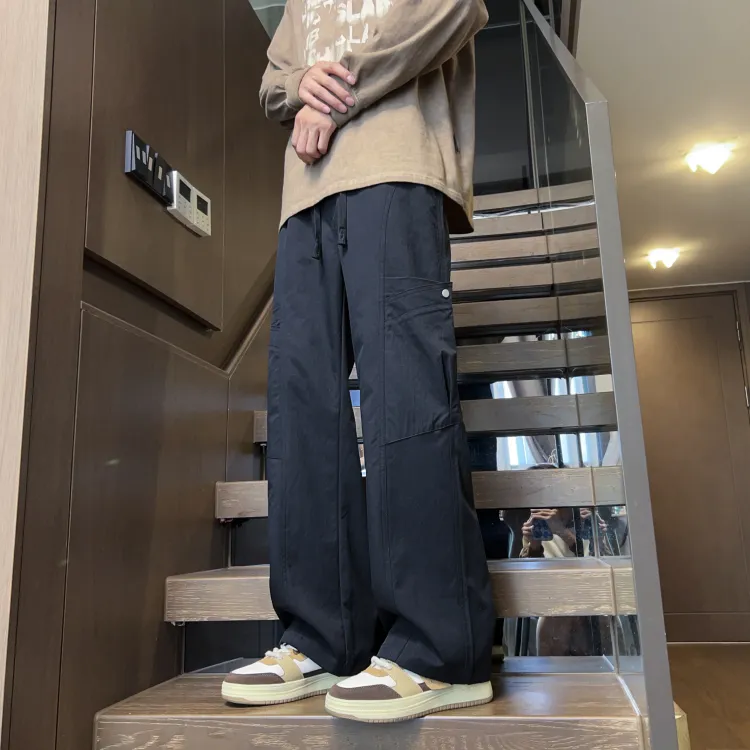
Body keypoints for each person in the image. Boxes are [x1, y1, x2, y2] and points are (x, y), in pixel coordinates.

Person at [221, 0, 494, 723]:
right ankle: (322, 636)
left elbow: (457, 8)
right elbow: (273, 81)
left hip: (396, 168)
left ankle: (440, 648)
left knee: (405, 395)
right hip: (305, 195)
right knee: (301, 408)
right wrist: (300, 84)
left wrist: (332, 93)